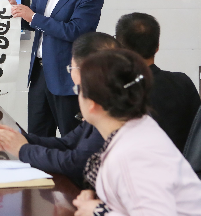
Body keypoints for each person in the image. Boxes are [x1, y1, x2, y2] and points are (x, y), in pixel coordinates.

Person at [73, 49, 201, 216]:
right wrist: (97, 196)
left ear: (92, 103)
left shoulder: (131, 154)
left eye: (78, 90)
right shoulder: (138, 127)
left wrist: (98, 211)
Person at [0, 32, 116, 187]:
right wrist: (18, 138)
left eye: (71, 67)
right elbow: (67, 143)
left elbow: (75, 163)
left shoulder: (111, 112)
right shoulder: (104, 99)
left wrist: (22, 149)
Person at [11, 0, 104, 137]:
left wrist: (32, 17)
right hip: (39, 73)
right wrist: (16, 12)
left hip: (67, 75)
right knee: (37, 136)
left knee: (71, 137)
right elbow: (33, 24)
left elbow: (76, 31)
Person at [115, 12, 200, 152]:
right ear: (157, 47)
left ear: (119, 49)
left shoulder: (115, 89)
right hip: (182, 163)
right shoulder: (182, 82)